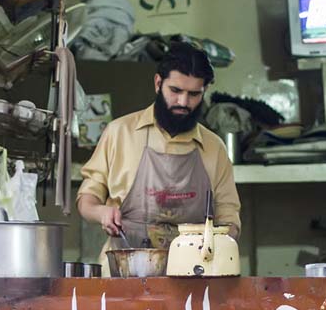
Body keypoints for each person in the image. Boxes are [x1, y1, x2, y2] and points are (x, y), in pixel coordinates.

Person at [77, 41, 241, 267]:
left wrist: (221, 239)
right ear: (158, 83)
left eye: (194, 94)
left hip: (193, 276)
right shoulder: (119, 133)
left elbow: (229, 219)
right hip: (125, 271)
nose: (183, 102)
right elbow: (87, 201)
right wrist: (102, 212)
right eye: (175, 91)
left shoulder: (215, 148)